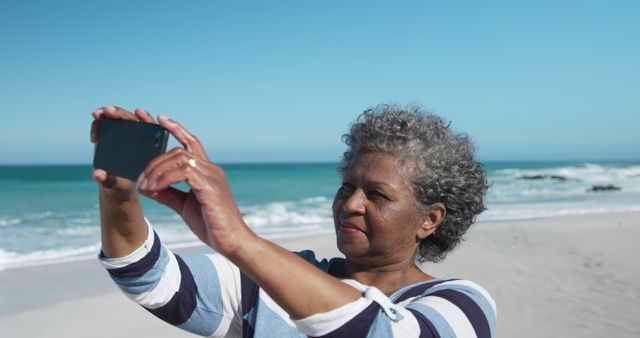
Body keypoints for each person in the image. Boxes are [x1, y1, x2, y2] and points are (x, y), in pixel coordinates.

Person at [91, 104, 496, 338]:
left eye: (376, 194)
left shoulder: (463, 303)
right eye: (346, 186)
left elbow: (380, 332)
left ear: (431, 219)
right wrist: (118, 194)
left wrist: (240, 240)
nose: (351, 204)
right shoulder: (270, 283)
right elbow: (149, 278)